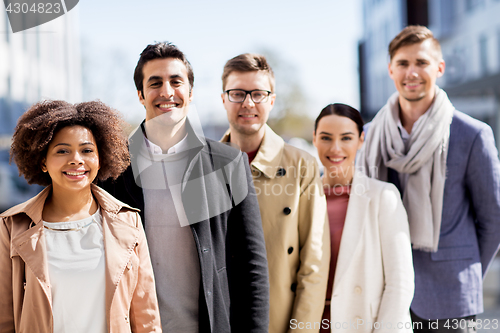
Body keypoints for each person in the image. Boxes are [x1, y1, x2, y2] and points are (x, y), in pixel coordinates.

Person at [100, 42, 269, 333]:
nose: (166, 92)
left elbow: (251, 267)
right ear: (141, 95)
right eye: (155, 83)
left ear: (190, 93)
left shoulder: (229, 164)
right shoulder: (110, 170)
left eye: (176, 82)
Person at [359, 25, 500, 332]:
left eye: (421, 62)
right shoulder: (367, 136)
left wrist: (466, 270)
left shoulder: (472, 134)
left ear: (439, 67)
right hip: (382, 292)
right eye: (403, 63)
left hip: (450, 295)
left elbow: (493, 219)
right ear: (390, 70)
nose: (412, 72)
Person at [0, 100, 161, 333]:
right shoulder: (11, 226)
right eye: (62, 150)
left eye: (87, 150)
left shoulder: (129, 221)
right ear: (43, 161)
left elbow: (147, 317)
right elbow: (4, 319)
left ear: (100, 158)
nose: (76, 159)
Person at [220, 53, 329, 333]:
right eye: (237, 93)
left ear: (272, 100)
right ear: (223, 99)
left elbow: (313, 263)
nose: (247, 103)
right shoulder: (204, 167)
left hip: (280, 321)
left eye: (258, 93)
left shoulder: (301, 165)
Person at [313, 103, 414, 333]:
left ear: (361, 140)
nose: (335, 148)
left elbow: (400, 284)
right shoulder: (302, 200)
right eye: (326, 138)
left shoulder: (383, 197)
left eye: (346, 138)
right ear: (314, 139)